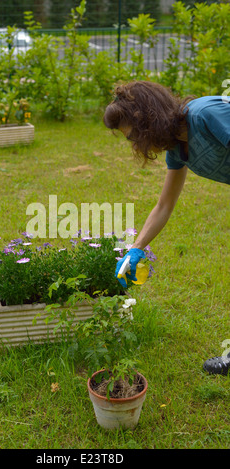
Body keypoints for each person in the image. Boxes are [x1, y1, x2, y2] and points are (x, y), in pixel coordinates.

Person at [103, 80, 230, 375]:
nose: (136, 145)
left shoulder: (205, 114)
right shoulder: (178, 149)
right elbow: (164, 206)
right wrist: (136, 249)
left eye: (135, 136)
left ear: (149, 119)